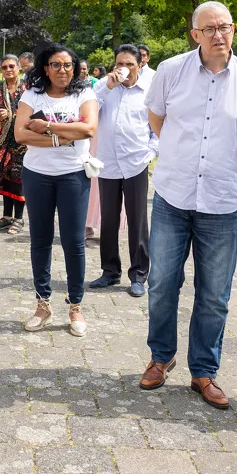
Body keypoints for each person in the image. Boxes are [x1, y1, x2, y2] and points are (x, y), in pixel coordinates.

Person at [138, 2, 237, 408]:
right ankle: (161, 357)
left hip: (221, 199)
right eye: (210, 28)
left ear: (234, 30)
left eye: (226, 27)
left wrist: (221, 161)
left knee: (215, 293)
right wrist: (183, 158)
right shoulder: (171, 70)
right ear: (195, 34)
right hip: (173, 195)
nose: (219, 34)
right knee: (162, 283)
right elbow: (156, 121)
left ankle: (204, 371)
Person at [13, 44, 99, 337]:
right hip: (38, 176)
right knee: (40, 240)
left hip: (73, 175)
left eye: (67, 65)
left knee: (74, 243)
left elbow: (88, 129)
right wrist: (62, 137)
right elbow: (20, 134)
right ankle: (43, 304)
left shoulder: (84, 94)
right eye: (56, 65)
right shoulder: (32, 95)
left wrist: (46, 127)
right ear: (45, 68)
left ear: (74, 68)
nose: (62, 70)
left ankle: (75, 305)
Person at [88, 44, 156, 298]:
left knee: (137, 220)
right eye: (119, 63)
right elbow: (90, 107)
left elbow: (158, 126)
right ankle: (109, 270)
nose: (123, 68)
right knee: (108, 218)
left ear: (140, 65)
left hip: (136, 162)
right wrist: (108, 85)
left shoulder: (148, 92)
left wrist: (150, 153)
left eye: (129, 64)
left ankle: (139, 274)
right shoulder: (104, 88)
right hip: (107, 162)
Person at [0, 54, 28, 235]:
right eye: (4, 67)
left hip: (22, 142)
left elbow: (33, 113)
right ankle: (6, 216)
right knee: (3, 178)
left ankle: (19, 218)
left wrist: (11, 116)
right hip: (1, 142)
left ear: (19, 68)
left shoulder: (28, 89)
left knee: (19, 180)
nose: (8, 70)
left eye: (11, 66)